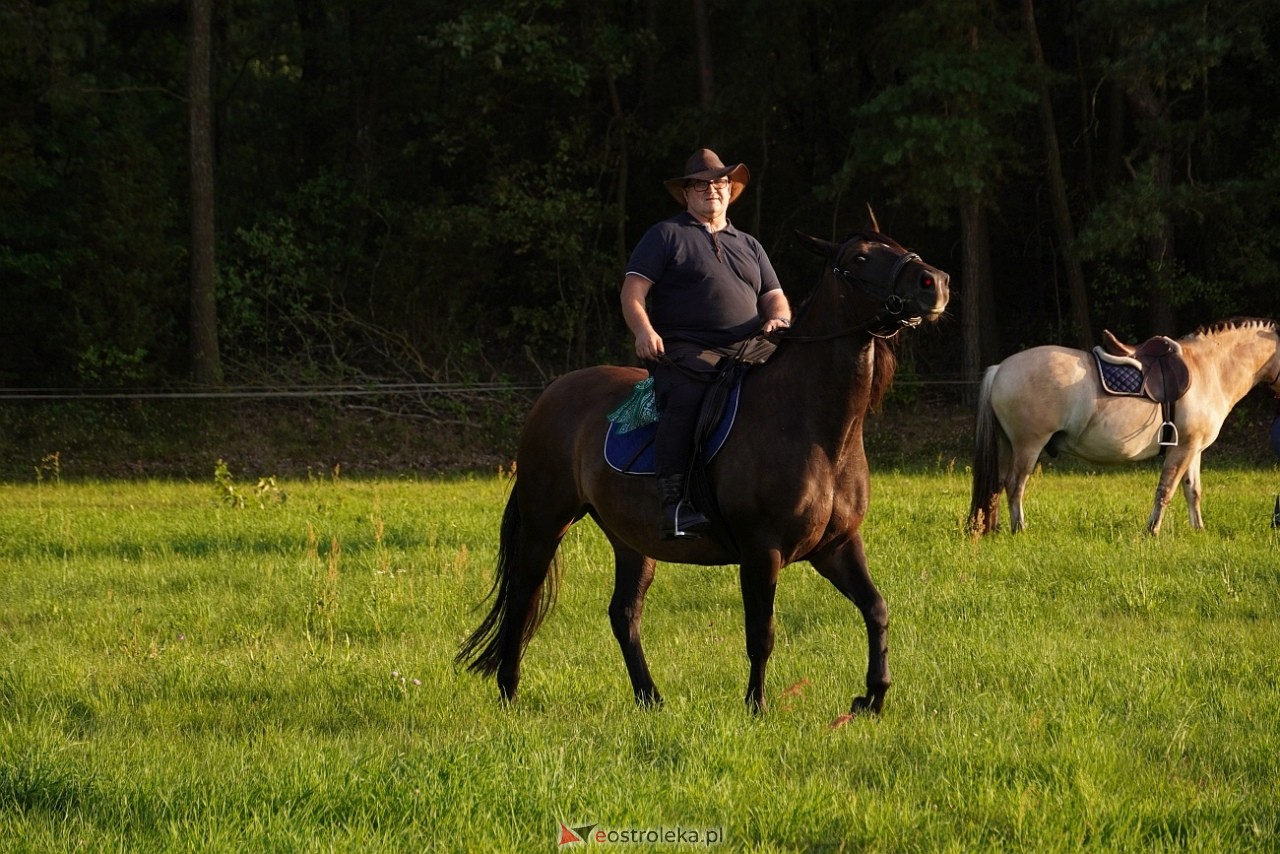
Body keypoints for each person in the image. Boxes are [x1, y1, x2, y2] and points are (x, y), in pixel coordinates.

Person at [620, 149, 793, 540]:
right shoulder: (665, 235)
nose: (711, 190)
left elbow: (775, 297)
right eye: (701, 185)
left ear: (730, 190)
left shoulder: (750, 244)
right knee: (687, 394)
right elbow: (633, 292)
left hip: (752, 346)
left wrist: (779, 320)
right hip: (687, 349)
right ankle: (674, 503)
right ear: (686, 193)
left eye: (719, 183)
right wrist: (643, 331)